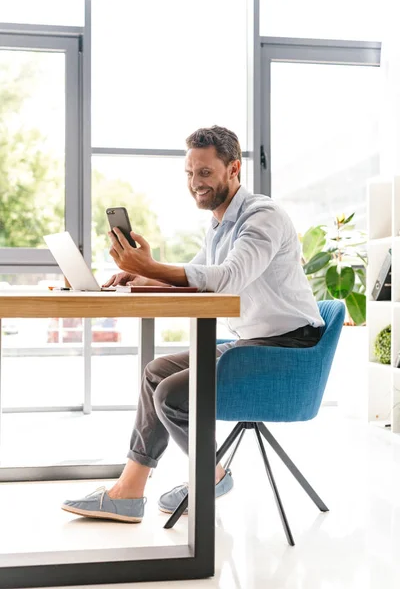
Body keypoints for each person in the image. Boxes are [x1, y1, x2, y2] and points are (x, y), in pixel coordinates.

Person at [62, 125, 324, 523]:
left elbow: (227, 277)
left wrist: (151, 266)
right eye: (189, 173)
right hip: (254, 343)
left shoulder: (262, 217)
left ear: (234, 168)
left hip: (288, 350)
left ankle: (211, 474)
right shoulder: (220, 224)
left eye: (205, 173)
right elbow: (201, 272)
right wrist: (142, 277)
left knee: (172, 394)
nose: (195, 183)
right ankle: (128, 491)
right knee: (156, 373)